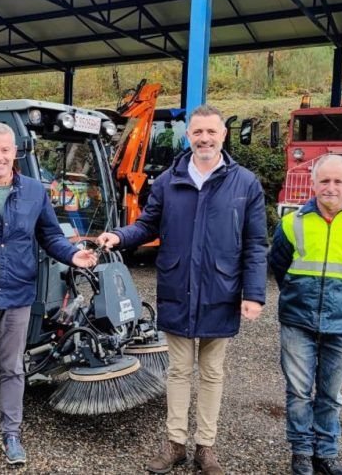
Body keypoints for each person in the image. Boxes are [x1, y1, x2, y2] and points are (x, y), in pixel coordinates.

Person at [96, 104, 268, 475]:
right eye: (197, 132)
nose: (204, 138)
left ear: (223, 135)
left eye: (211, 132)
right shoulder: (168, 182)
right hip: (178, 286)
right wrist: (120, 236)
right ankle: (175, 443)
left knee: (212, 373)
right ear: (188, 136)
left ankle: (205, 447)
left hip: (221, 291)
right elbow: (146, 225)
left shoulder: (245, 184)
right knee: (177, 371)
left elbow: (255, 243)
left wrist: (253, 293)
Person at [0, 122, 97, 465]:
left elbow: (50, 236)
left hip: (17, 295)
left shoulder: (34, 192)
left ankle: (12, 435)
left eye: (4, 150)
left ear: (15, 152)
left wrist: (73, 254)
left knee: (12, 368)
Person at [269, 154, 342, 475]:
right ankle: (302, 454)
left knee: (330, 395)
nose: (331, 187)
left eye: (338, 181)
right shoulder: (292, 223)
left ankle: (326, 454)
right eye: (324, 181)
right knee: (297, 393)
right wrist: (298, 297)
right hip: (298, 322)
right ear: (313, 183)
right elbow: (279, 265)